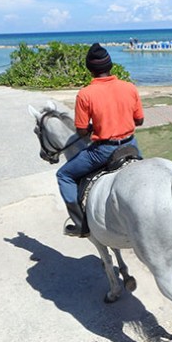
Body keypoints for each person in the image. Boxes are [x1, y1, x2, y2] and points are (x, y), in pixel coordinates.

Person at [57, 43, 145, 237]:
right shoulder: (129, 87)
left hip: (104, 150)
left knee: (64, 175)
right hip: (131, 145)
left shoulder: (85, 94)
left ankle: (80, 224)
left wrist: (95, 126)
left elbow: (81, 132)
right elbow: (139, 120)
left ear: (90, 69)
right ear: (110, 66)